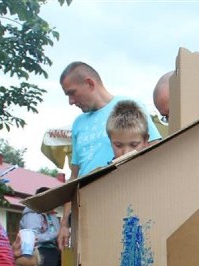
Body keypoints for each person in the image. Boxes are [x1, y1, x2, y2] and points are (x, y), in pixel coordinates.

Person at [57, 62, 161, 249]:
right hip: (86, 213)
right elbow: (74, 177)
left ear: (89, 83)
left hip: (123, 206)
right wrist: (65, 223)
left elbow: (156, 152)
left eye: (72, 93)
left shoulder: (128, 107)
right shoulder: (78, 124)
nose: (71, 101)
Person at [19, 187, 62, 266]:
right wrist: (55, 234)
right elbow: (33, 237)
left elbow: (58, 234)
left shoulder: (52, 216)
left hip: (53, 248)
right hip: (39, 248)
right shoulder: (31, 215)